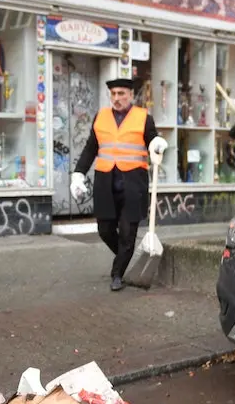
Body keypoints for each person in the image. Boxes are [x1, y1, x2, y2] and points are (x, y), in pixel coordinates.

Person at [71, 78, 168, 292]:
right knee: (104, 229)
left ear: (131, 95)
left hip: (133, 185)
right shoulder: (101, 117)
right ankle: (126, 256)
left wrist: (157, 143)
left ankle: (117, 273)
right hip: (105, 182)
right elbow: (90, 148)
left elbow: (152, 139)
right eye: (113, 94)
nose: (117, 98)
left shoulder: (144, 118)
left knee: (127, 232)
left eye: (121, 93)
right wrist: (78, 173)